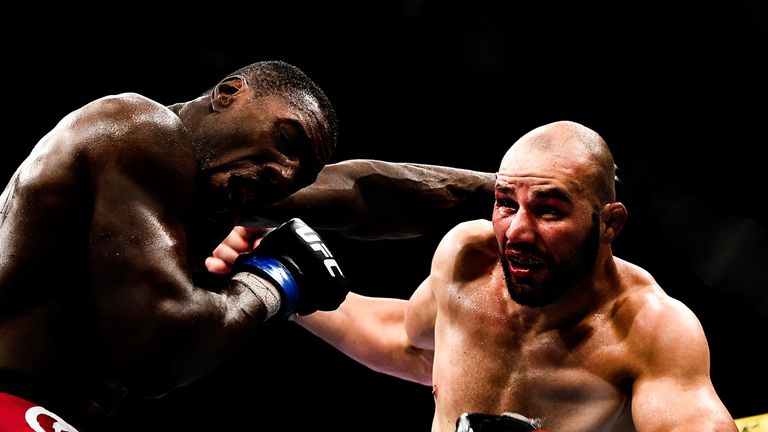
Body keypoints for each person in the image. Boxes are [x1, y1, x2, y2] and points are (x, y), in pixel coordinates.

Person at [0, 60, 497, 432]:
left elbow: (368, 193)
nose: (283, 173)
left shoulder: (224, 190)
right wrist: (275, 280)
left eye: (298, 174)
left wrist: (517, 190)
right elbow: (157, 352)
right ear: (229, 92)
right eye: (286, 139)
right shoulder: (139, 130)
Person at [281, 120, 738, 432]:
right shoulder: (466, 258)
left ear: (609, 223)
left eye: (548, 210)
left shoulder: (649, 329)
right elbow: (408, 341)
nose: (517, 231)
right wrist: (285, 282)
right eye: (506, 203)